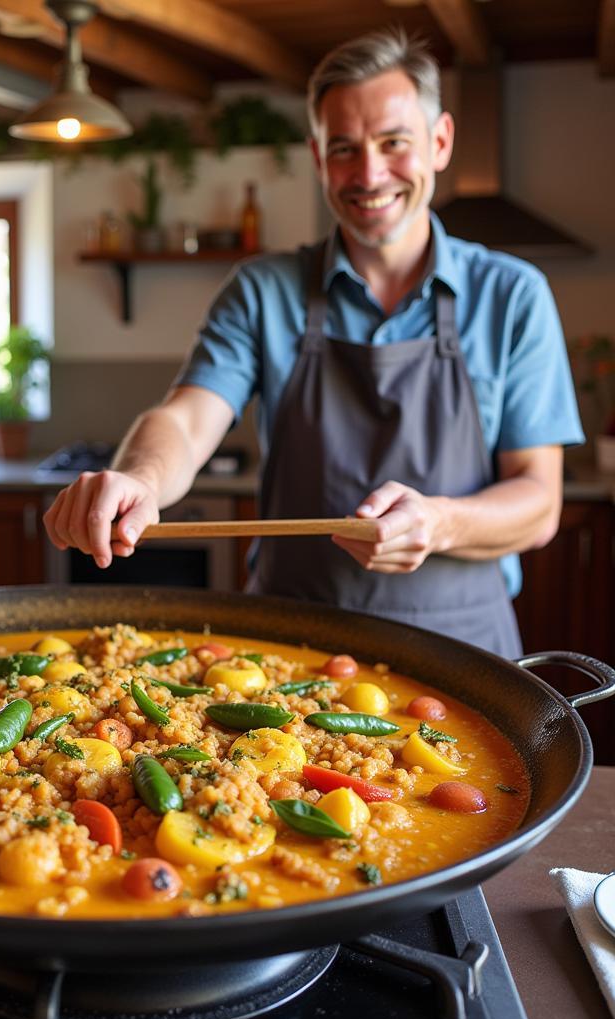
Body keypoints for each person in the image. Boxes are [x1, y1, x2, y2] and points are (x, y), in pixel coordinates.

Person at [44, 28, 584, 657]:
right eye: (345, 149)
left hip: (463, 649)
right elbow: (186, 420)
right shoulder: (262, 290)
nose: (370, 173)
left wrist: (439, 523)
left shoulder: (512, 295)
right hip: (292, 648)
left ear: (439, 143)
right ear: (318, 156)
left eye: (393, 143)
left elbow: (539, 502)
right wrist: (138, 478)